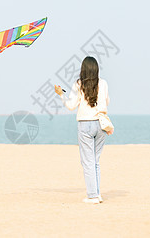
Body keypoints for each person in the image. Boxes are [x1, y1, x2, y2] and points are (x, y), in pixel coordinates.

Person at [54, 56, 111, 204]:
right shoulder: (103, 83)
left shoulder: (79, 84)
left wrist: (61, 94)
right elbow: (107, 102)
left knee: (88, 161)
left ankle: (92, 195)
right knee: (95, 161)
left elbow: (71, 105)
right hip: (100, 124)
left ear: (83, 70)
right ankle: (97, 194)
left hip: (85, 124)